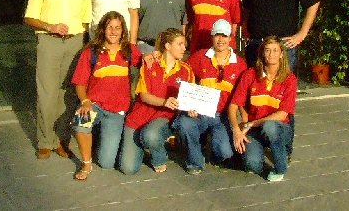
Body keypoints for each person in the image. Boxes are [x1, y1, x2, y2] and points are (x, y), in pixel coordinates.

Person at [24, 0, 92, 159]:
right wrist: (50, 27)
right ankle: (45, 141)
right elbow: (29, 18)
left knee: (68, 94)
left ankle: (62, 140)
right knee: (47, 93)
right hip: (49, 41)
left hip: (74, 43)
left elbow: (85, 19)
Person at [71, 11, 142, 180]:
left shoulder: (129, 50)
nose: (113, 31)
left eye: (117, 28)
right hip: (94, 104)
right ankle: (86, 163)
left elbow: (146, 64)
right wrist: (85, 101)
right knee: (81, 123)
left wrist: (151, 55)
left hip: (116, 111)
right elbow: (80, 83)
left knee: (106, 162)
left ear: (123, 31)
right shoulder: (91, 52)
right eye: (109, 27)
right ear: (102, 29)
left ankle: (102, 142)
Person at [173, 19, 247, 174]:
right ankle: (195, 160)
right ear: (212, 37)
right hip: (200, 112)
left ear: (230, 38)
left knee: (225, 152)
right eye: (217, 35)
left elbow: (241, 97)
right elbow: (182, 74)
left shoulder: (240, 64)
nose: (221, 40)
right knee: (185, 124)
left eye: (224, 36)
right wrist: (188, 105)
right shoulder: (199, 57)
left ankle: (211, 146)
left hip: (223, 116)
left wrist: (243, 124)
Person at [119, 28, 194, 175]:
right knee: (128, 169)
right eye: (180, 44)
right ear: (167, 46)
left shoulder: (186, 70)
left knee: (151, 136)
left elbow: (190, 97)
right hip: (139, 117)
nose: (184, 48)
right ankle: (145, 142)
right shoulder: (150, 63)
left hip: (164, 118)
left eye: (184, 45)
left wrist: (191, 107)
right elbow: (143, 95)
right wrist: (164, 101)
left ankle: (159, 157)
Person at [228, 36, 297, 182]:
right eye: (267, 50)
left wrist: (251, 124)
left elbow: (283, 114)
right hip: (255, 130)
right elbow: (234, 105)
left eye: (275, 50)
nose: (271, 54)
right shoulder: (250, 74)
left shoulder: (289, 79)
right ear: (262, 53)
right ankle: (261, 149)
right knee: (252, 165)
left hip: (279, 127)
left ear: (281, 54)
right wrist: (235, 129)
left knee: (270, 127)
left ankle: (280, 167)